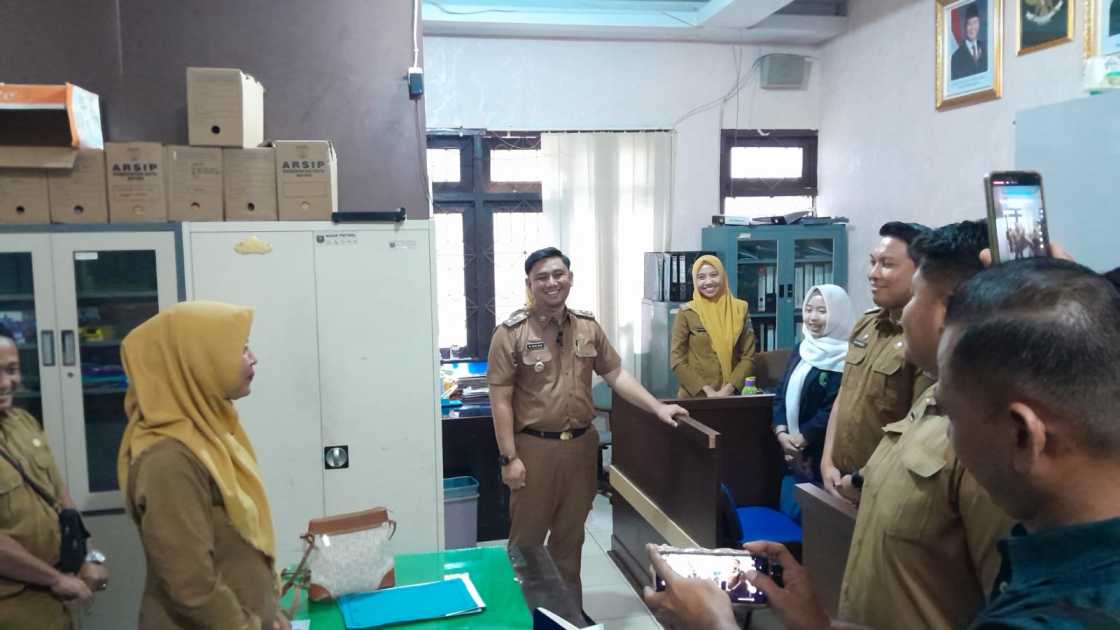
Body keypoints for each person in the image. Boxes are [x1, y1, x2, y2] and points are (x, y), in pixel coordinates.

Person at [832, 220, 1012, 628]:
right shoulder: (933, 400)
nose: (905, 314)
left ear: (946, 312)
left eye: (916, 296)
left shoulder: (988, 441)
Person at [488, 247, 688, 603]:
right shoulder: (511, 332)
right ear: (530, 284)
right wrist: (509, 458)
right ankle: (525, 617)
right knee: (527, 544)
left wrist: (657, 407)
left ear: (570, 278)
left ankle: (567, 616)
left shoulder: (587, 326)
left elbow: (616, 374)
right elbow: (500, 398)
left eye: (558, 274)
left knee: (570, 540)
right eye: (542, 277)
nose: (552, 282)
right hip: (534, 450)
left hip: (581, 448)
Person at [117, 302, 290, 630]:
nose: (253, 358)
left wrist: (267, 610)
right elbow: (190, 584)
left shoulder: (209, 437)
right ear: (195, 361)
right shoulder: (168, 460)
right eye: (241, 349)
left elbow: (237, 547)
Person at [0, 325, 109, 629]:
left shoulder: (23, 423)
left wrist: (88, 556)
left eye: (12, 370)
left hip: (55, 601)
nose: (6, 383)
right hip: (12, 606)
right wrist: (55, 578)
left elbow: (60, 497)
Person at [819, 222, 934, 501]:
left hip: (884, 489)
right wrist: (827, 460)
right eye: (873, 262)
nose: (873, 273)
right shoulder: (866, 325)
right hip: (838, 481)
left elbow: (918, 429)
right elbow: (844, 394)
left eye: (887, 264)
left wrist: (861, 481)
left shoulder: (924, 338)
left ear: (921, 272)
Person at [771, 285, 851, 521]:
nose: (813, 317)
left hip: (821, 456)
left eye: (822, 311)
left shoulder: (847, 356)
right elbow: (781, 391)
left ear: (838, 314)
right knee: (788, 517)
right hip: (789, 453)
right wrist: (782, 433)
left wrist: (801, 439)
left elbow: (832, 408)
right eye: (808, 310)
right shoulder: (803, 347)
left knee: (814, 524)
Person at [670, 255, 755, 398]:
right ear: (695, 281)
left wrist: (727, 390)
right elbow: (677, 360)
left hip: (732, 395)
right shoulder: (687, 312)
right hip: (695, 396)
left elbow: (748, 357)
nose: (708, 282)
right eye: (701, 277)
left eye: (714, 275)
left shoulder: (740, 309)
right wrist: (707, 391)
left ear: (723, 276)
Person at [951, 3, 987, 80]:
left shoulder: (986, 49)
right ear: (964, 26)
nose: (972, 27)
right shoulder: (956, 57)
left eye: (975, 22)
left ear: (979, 24)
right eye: (969, 23)